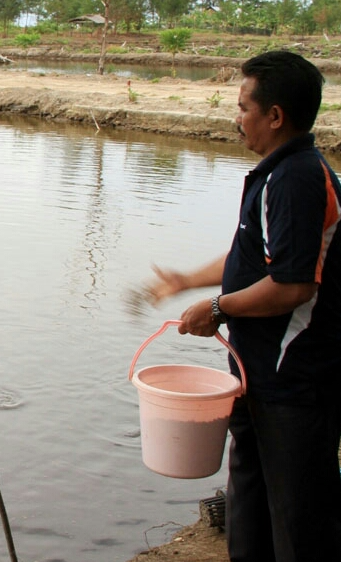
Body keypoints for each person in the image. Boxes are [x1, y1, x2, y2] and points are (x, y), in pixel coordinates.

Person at [148, 51, 341, 562]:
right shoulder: (276, 174)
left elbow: (292, 285)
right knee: (249, 502)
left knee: (299, 519)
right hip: (256, 374)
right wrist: (189, 280)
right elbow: (250, 256)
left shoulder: (297, 178)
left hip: (294, 381)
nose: (237, 119)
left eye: (243, 108)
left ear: (275, 116)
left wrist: (217, 308)